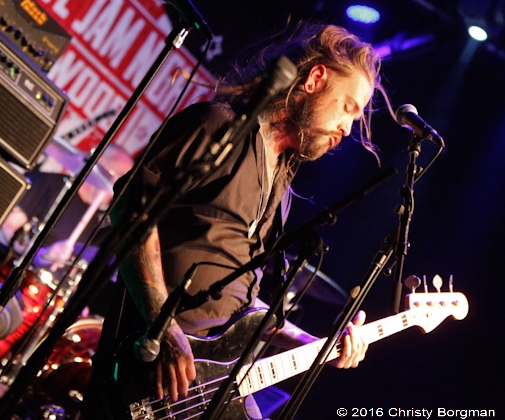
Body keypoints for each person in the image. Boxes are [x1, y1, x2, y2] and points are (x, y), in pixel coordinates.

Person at [81, 23, 387, 420]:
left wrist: (317, 343)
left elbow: (239, 302)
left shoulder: (280, 187)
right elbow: (131, 211)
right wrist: (163, 326)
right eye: (348, 108)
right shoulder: (218, 125)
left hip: (210, 383)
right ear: (314, 79)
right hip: (151, 372)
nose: (347, 128)